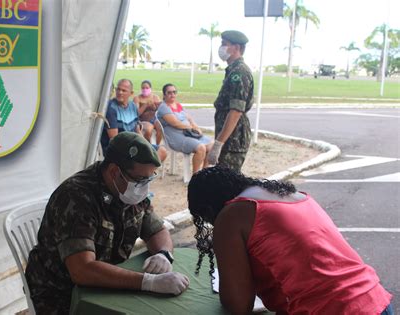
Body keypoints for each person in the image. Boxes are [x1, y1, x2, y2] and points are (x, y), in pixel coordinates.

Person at [187, 166, 393, 315]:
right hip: (376, 301)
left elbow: (238, 305)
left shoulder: (232, 214)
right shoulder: (295, 195)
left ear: (208, 210)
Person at [25, 132, 190, 314]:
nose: (145, 187)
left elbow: (156, 230)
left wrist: (164, 254)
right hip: (61, 293)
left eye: (149, 179)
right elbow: (82, 270)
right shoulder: (76, 197)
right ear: (114, 172)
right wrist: (149, 282)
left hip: (106, 283)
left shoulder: (128, 190)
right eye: (141, 180)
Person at [207, 30, 254, 173]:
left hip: (233, 140)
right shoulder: (233, 71)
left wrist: (218, 144)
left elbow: (236, 111)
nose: (221, 48)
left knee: (227, 183)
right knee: (224, 182)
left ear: (237, 48)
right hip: (230, 138)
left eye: (224, 44)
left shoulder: (239, 72)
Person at [101, 78, 167, 162]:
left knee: (162, 152)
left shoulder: (132, 106)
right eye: (118, 89)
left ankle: (144, 174)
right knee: (145, 158)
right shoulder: (111, 109)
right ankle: (140, 174)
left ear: (131, 93)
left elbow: (137, 128)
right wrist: (136, 147)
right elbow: (115, 139)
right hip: (120, 147)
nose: (120, 92)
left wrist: (144, 143)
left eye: (124, 90)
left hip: (133, 143)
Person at [157, 83, 214, 174]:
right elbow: (175, 123)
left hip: (188, 134)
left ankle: (204, 172)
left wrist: (196, 126)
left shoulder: (178, 105)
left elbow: (189, 118)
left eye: (174, 92)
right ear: (164, 94)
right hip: (176, 138)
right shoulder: (164, 107)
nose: (172, 94)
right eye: (169, 92)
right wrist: (191, 127)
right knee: (201, 148)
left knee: (211, 145)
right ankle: (196, 176)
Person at [133, 80, 164, 145]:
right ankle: (148, 145)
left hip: (154, 118)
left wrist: (155, 106)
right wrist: (146, 105)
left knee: (161, 128)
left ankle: (157, 145)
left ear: (150, 88)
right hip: (143, 119)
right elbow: (137, 113)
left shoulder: (155, 97)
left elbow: (159, 110)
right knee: (148, 130)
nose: (145, 89)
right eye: (143, 88)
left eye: (147, 88)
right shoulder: (137, 98)